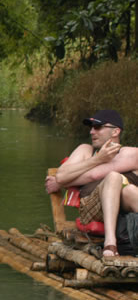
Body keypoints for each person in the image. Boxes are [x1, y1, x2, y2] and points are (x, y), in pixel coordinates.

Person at [45, 110, 138, 257]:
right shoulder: (85, 150)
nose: (92, 132)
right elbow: (61, 175)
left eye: (98, 127)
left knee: (130, 190)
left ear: (116, 131)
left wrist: (64, 183)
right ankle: (110, 243)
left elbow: (93, 174)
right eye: (91, 127)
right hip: (92, 209)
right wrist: (97, 159)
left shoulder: (130, 153)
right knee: (113, 177)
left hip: (126, 209)